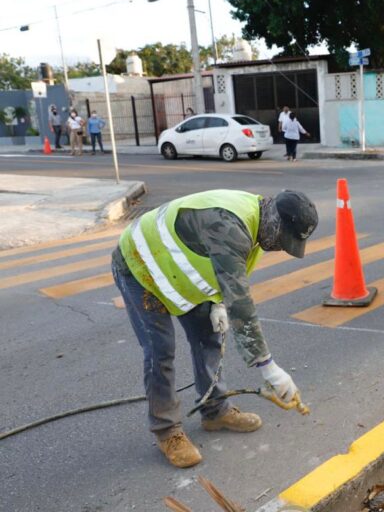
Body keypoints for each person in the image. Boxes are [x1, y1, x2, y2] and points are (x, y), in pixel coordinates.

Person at [111, 189, 318, 468]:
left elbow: (227, 276)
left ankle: (215, 411)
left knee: (209, 335)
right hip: (139, 265)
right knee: (160, 350)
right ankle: (167, 431)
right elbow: (242, 309)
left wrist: (218, 303)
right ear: (276, 223)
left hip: (172, 269)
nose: (282, 247)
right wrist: (269, 368)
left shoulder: (257, 224)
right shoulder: (229, 227)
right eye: (284, 241)